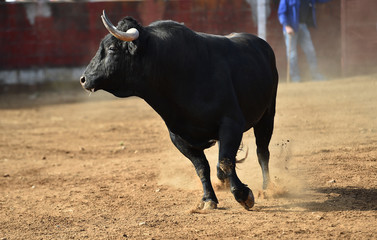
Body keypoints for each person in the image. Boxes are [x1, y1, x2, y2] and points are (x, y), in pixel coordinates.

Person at [278, 0, 331, 82]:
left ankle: (315, 75)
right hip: (291, 27)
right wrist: (287, 26)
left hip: (303, 26)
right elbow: (281, 13)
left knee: (310, 51)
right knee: (292, 54)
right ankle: (296, 78)